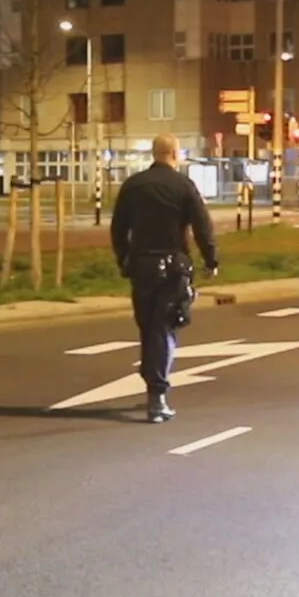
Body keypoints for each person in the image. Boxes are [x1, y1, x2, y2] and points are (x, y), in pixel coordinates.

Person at [111, 134, 219, 423]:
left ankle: (152, 383)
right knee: (164, 328)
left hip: (142, 266)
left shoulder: (133, 185)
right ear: (174, 153)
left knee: (148, 328)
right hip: (173, 268)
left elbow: (118, 227)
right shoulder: (183, 186)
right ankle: (157, 397)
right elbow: (202, 225)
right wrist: (211, 260)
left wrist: (124, 259)